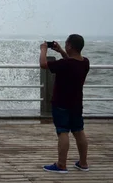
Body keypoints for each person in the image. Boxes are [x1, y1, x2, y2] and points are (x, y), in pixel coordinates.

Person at [40, 34, 90, 173]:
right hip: (76, 103)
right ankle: (83, 163)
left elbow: (43, 64)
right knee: (79, 131)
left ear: (70, 46)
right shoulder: (85, 62)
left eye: (66, 45)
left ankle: (61, 164)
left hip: (61, 103)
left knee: (63, 132)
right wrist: (61, 51)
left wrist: (43, 49)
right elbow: (72, 62)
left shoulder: (64, 64)